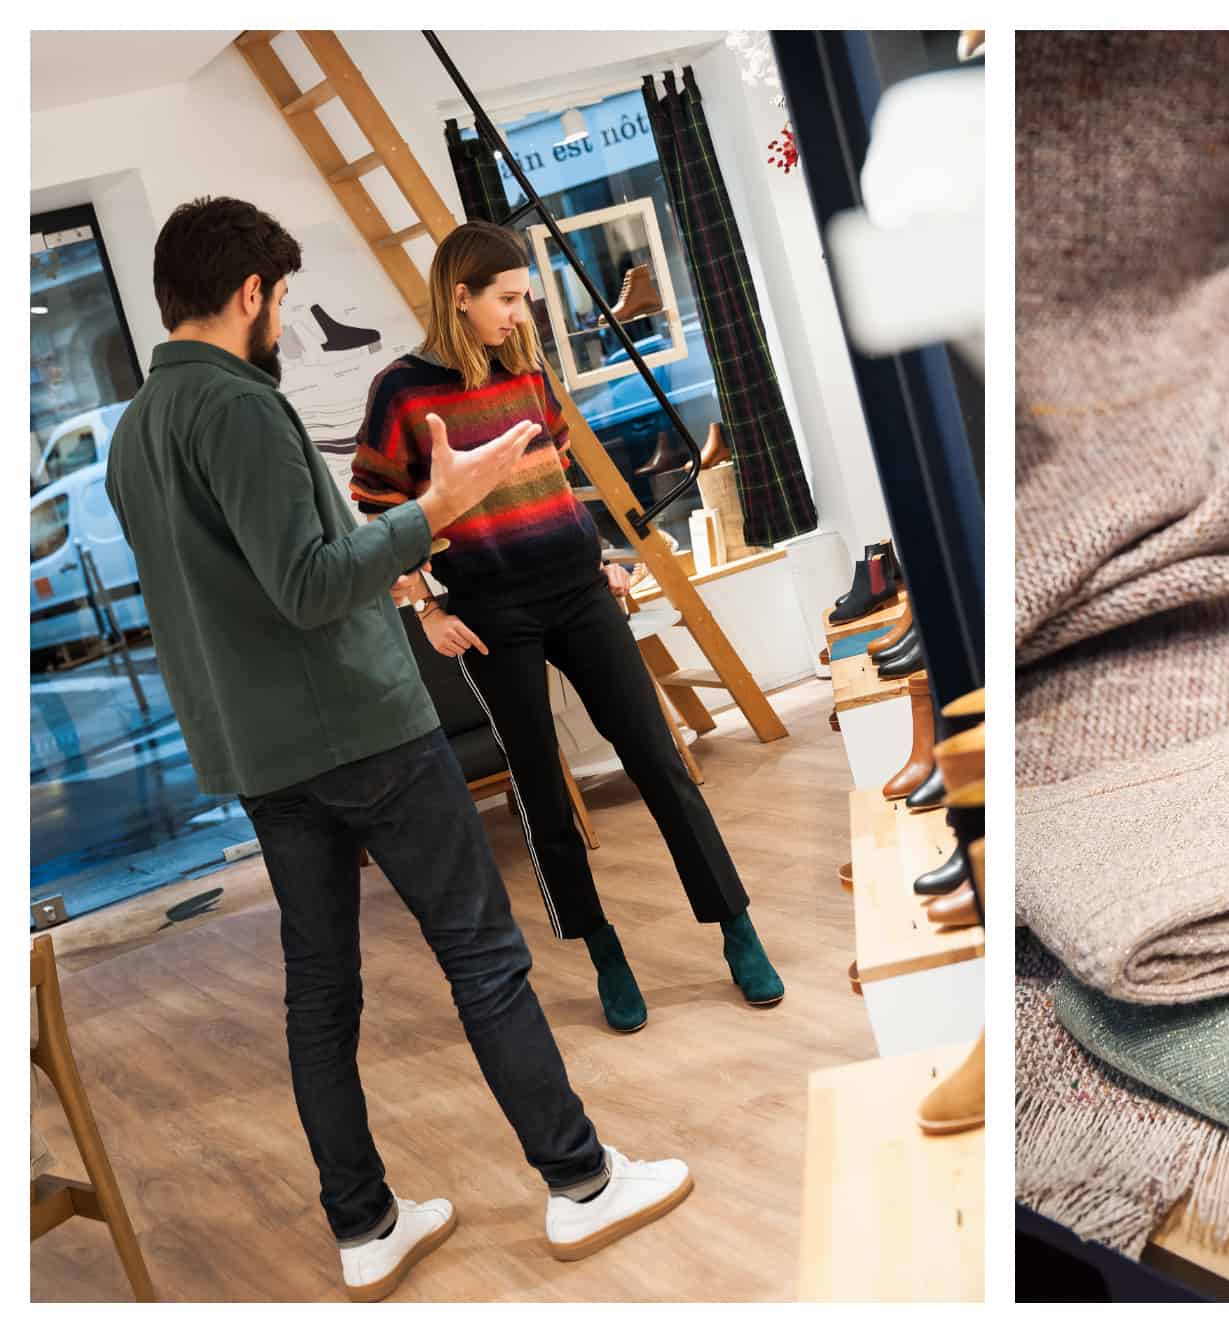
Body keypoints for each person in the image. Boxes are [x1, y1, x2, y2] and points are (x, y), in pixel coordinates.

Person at [105, 197, 692, 1300]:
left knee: (320, 994)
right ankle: (580, 1181)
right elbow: (311, 582)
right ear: (250, 296)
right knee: (483, 956)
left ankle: (365, 1224)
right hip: (361, 728)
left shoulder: (135, 434)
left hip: (262, 758)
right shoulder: (239, 406)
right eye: (278, 299)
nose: (281, 320)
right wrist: (437, 506)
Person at [350, 221, 784, 1031]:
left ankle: (735, 926)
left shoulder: (526, 371)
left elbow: (552, 474)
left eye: (524, 299)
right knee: (542, 790)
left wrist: (602, 556)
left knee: (660, 760)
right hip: (488, 611)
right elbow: (374, 513)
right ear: (462, 298)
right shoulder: (401, 393)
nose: (520, 315)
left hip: (579, 590)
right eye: (507, 300)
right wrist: (426, 605)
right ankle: (603, 949)